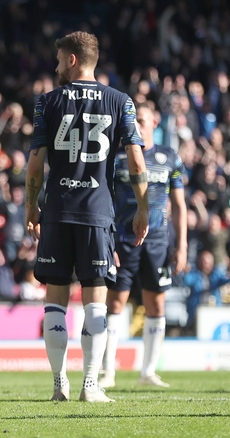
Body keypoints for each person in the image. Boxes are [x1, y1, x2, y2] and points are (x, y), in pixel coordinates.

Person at [25, 31, 150, 403]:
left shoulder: (47, 101)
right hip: (97, 212)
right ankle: (90, 385)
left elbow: (35, 163)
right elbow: (136, 159)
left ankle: (58, 383)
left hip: (59, 210)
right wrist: (143, 208)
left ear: (74, 59)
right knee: (96, 302)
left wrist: (33, 207)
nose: (57, 65)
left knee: (55, 300)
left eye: (61, 58)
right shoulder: (120, 101)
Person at [100, 102, 187, 389]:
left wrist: (182, 245)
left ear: (155, 122)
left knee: (156, 304)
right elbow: (105, 200)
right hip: (123, 240)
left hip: (158, 242)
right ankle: (107, 372)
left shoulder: (169, 157)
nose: (137, 124)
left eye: (143, 119)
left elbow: (179, 204)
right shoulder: (117, 156)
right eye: (133, 119)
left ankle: (148, 371)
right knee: (114, 303)